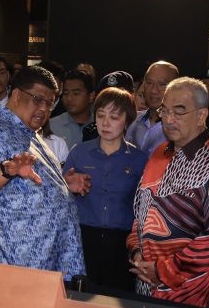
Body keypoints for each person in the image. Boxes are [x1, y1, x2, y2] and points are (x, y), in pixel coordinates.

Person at [0, 66, 86, 277]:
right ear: (17, 95)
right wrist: (6, 171)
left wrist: (62, 185)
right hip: (9, 267)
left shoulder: (28, 131)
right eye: (38, 99)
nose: (44, 109)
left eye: (49, 103)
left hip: (41, 264)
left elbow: (26, 186)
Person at [128, 77, 209, 308]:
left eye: (178, 112)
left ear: (201, 115)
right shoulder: (159, 153)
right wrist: (137, 251)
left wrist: (162, 270)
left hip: (193, 294)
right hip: (146, 283)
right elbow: (141, 211)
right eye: (164, 111)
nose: (169, 120)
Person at [63, 86, 147, 291]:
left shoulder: (139, 159)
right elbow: (60, 198)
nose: (105, 123)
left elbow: (145, 207)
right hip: (83, 238)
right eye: (100, 115)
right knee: (80, 298)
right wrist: (65, 184)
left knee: (118, 300)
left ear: (127, 120)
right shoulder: (79, 153)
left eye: (114, 117)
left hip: (122, 242)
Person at [127, 61, 178, 155]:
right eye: (149, 82)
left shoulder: (181, 127)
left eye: (162, 84)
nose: (154, 90)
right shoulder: (130, 119)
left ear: (176, 88)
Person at [50, 69, 94, 153]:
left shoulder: (101, 126)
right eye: (66, 93)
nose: (69, 98)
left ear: (91, 96)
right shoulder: (51, 126)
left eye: (76, 93)